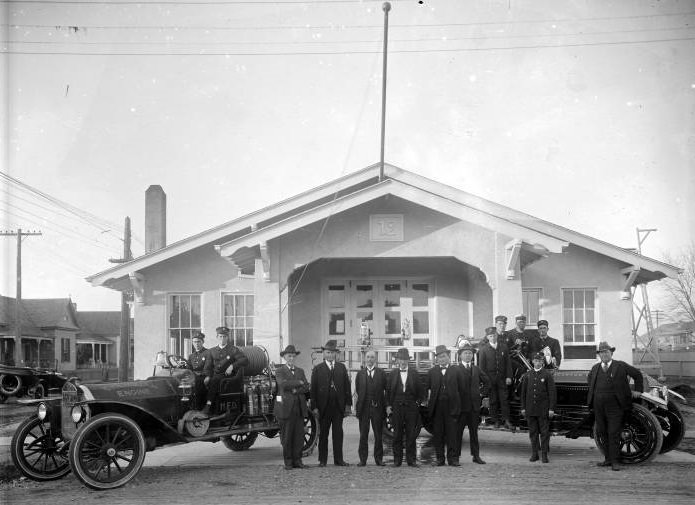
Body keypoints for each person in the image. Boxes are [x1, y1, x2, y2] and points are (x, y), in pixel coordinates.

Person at [587, 341, 644, 471]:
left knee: (613, 433)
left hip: (615, 406)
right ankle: (607, 459)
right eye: (602, 353)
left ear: (611, 353)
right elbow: (590, 380)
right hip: (598, 406)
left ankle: (615, 461)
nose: (604, 354)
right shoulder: (595, 368)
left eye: (606, 352)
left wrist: (638, 390)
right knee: (602, 432)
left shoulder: (621, 366)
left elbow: (637, 374)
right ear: (599, 355)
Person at [310, 339, 352, 467]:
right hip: (324, 407)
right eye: (327, 352)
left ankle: (339, 460)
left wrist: (347, 405)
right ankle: (322, 461)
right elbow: (313, 390)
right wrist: (315, 407)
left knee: (338, 434)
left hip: (338, 407)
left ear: (335, 354)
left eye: (332, 353)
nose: (330, 355)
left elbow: (347, 387)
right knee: (323, 435)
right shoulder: (317, 369)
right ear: (323, 353)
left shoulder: (341, 367)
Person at [386, 347, 426, 467]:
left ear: (408, 361)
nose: (402, 362)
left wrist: (417, 404)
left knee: (411, 434)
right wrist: (388, 405)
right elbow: (387, 392)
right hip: (396, 407)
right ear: (397, 360)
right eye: (400, 359)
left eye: (404, 359)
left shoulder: (414, 373)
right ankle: (397, 461)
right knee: (397, 434)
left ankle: (411, 460)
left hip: (411, 407)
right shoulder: (393, 373)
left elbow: (421, 391)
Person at [427, 344, 466, 466]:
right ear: (436, 359)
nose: (442, 359)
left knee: (452, 434)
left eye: (444, 356)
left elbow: (462, 389)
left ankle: (453, 459)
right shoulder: (432, 372)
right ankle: (440, 458)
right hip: (437, 407)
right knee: (438, 434)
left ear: (448, 357)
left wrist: (459, 406)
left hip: (452, 406)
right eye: (439, 357)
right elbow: (427, 388)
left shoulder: (457, 370)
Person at [274, 345, 310, 470]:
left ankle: (298, 461)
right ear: (284, 357)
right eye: (289, 356)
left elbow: (306, 387)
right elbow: (283, 384)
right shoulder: (280, 371)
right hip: (285, 408)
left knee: (299, 436)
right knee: (287, 436)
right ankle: (288, 462)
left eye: (293, 356)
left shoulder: (300, 371)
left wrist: (296, 388)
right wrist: (299, 383)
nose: (291, 358)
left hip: (299, 408)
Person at [201, 326, 249, 416]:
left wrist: (232, 366)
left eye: (224, 337)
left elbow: (244, 360)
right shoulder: (211, 351)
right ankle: (198, 407)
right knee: (200, 381)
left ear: (227, 337)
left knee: (215, 380)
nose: (222, 339)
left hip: (228, 376)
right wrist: (207, 376)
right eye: (220, 336)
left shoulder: (233, 350)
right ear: (217, 337)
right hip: (215, 375)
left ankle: (208, 405)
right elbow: (207, 367)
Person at [456, 341, 489, 464]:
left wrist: (481, 394)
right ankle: (456, 456)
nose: (468, 355)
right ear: (460, 355)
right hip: (461, 407)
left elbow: (487, 382)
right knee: (458, 433)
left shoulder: (476, 369)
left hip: (474, 407)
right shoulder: (456, 369)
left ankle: (476, 456)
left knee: (474, 433)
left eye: (470, 353)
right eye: (465, 353)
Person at [520, 352, 557, 463]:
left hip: (543, 410)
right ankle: (535, 454)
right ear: (532, 362)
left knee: (545, 433)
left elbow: (552, 393)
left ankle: (544, 455)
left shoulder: (547, 375)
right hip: (530, 409)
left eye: (540, 361)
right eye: (536, 361)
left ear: (542, 362)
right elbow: (523, 394)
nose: (538, 363)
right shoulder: (527, 375)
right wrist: (523, 408)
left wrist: (551, 409)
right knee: (533, 433)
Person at [355, 350, 387, 466]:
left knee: (378, 435)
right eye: (368, 357)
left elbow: (385, 390)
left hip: (377, 408)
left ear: (375, 359)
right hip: (364, 408)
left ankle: (379, 459)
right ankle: (362, 460)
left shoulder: (381, 373)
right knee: (363, 434)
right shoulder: (360, 374)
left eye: (372, 357)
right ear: (365, 359)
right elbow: (358, 390)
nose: (370, 359)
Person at [478, 326, 513, 430]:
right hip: (490, 380)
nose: (492, 337)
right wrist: (485, 381)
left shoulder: (503, 347)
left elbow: (508, 364)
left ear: (497, 335)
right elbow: (482, 367)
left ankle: (506, 420)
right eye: (490, 336)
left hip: (502, 379)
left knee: (504, 400)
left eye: (494, 335)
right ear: (487, 337)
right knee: (493, 401)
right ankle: (496, 421)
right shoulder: (483, 350)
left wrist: (509, 377)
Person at [189, 332, 209, 410]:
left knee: (198, 383)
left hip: (204, 377)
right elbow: (188, 368)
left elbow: (210, 367)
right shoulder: (191, 356)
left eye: (198, 342)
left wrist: (208, 376)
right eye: (194, 342)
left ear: (202, 342)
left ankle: (198, 408)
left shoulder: (208, 353)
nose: (196, 344)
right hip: (193, 377)